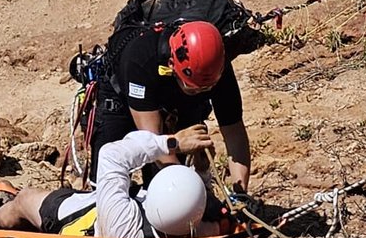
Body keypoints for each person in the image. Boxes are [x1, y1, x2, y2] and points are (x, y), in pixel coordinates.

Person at [0, 124, 221, 238]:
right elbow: (194, 203)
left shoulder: (124, 222)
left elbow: (112, 155)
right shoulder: (199, 229)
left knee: (26, 199)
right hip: (110, 214)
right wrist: (202, 171)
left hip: (79, 223)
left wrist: (171, 142)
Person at [88, 17, 252, 192]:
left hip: (177, 100)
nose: (201, 91)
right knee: (107, 182)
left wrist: (239, 194)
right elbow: (151, 143)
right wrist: (194, 194)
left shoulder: (216, 68)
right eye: (194, 87)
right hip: (123, 94)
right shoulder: (140, 60)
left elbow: (234, 132)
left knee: (165, 187)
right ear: (172, 65)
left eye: (208, 89)